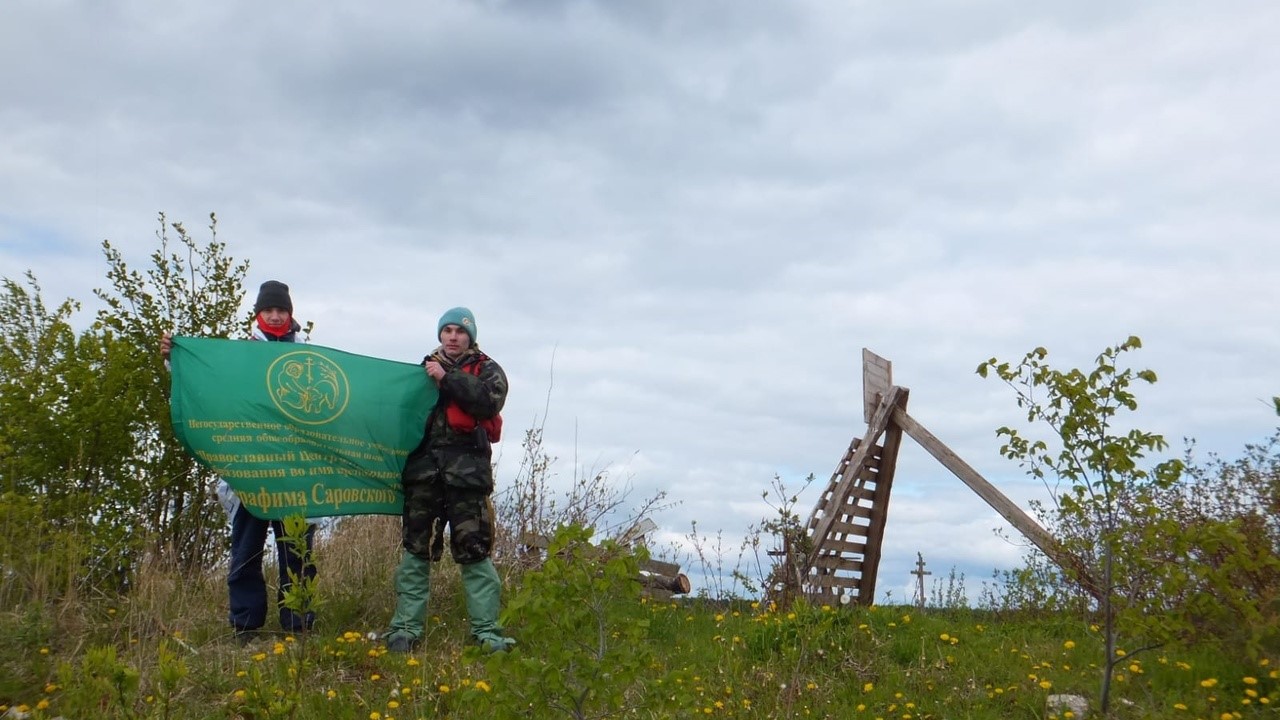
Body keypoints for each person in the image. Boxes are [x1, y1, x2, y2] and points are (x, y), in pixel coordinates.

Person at [161, 280, 319, 641]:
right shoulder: (239, 352)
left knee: (296, 549)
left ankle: (298, 621)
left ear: (291, 314)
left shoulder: (308, 355)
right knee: (246, 550)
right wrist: (176, 357)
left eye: (281, 310)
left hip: (295, 469)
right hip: (249, 467)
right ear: (258, 314)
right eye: (269, 310)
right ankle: (246, 624)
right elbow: (207, 383)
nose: (275, 316)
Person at [385, 306, 514, 653]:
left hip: (467, 480)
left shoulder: (488, 370)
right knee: (416, 553)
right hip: (423, 477)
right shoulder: (419, 372)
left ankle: (487, 633)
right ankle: (404, 629)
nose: (453, 336)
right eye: (448, 331)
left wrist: (446, 377)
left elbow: (488, 403)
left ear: (470, 336)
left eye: (460, 331)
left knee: (475, 553)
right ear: (440, 335)